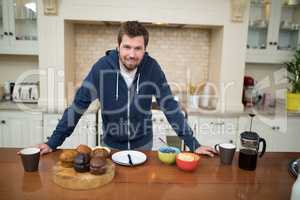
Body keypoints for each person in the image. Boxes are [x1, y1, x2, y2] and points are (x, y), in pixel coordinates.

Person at [38, 21, 217, 157]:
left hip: (143, 146)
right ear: (118, 46)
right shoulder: (102, 68)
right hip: (111, 146)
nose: (132, 54)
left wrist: (193, 144)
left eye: (138, 48)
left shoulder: (152, 68)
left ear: (145, 49)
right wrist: (53, 142)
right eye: (127, 47)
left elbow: (169, 106)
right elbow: (78, 106)